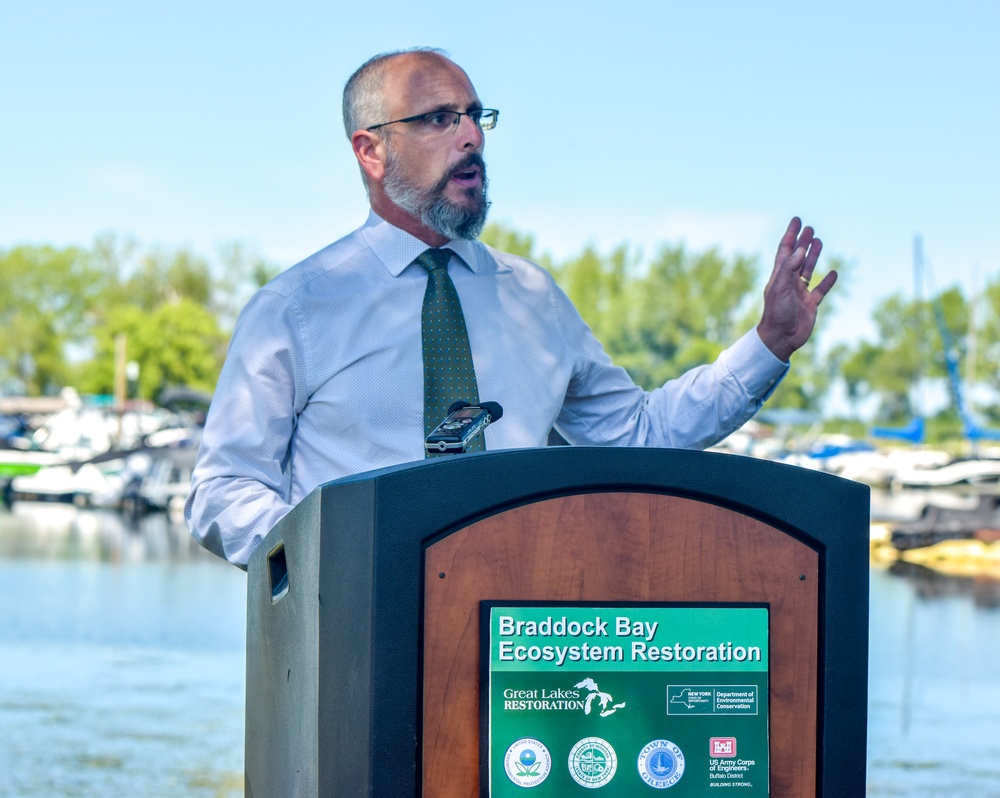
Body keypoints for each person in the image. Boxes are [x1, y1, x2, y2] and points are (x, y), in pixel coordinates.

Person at [185, 47, 837, 569]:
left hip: (519, 647)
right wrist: (337, 559)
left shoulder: (534, 299)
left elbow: (640, 436)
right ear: (371, 151)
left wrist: (768, 344)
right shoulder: (296, 309)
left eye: (475, 115)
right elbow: (224, 492)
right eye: (439, 119)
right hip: (353, 645)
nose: (471, 136)